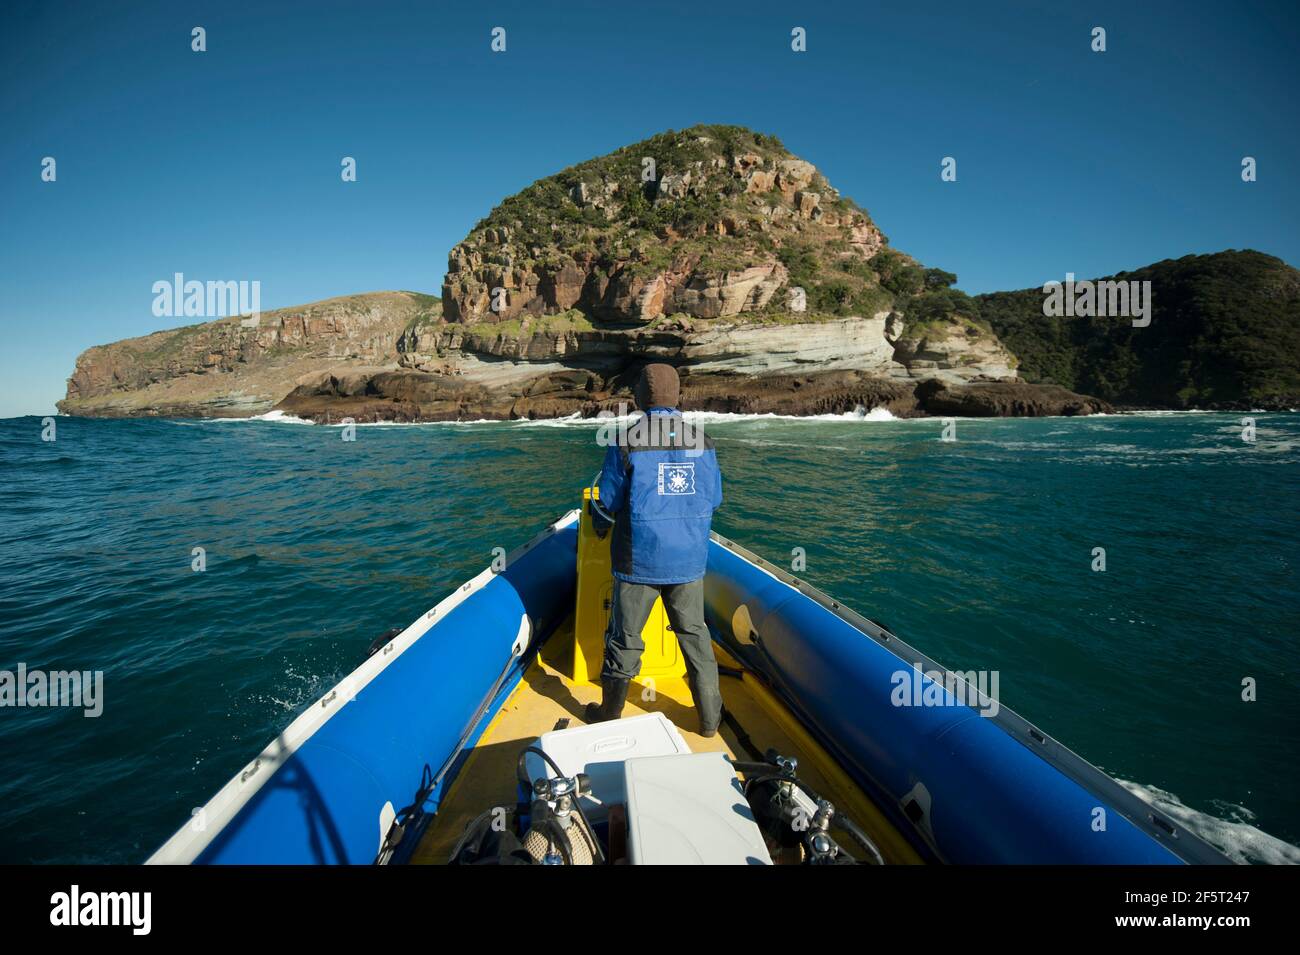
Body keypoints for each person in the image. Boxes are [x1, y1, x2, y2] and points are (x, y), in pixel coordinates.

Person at [585, 363, 725, 736]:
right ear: (676, 396)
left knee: (625, 639)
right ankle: (710, 723)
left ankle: (608, 715)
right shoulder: (704, 441)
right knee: (695, 637)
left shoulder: (626, 440)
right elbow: (714, 500)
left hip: (639, 561)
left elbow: (610, 500)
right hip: (689, 562)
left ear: (641, 398)